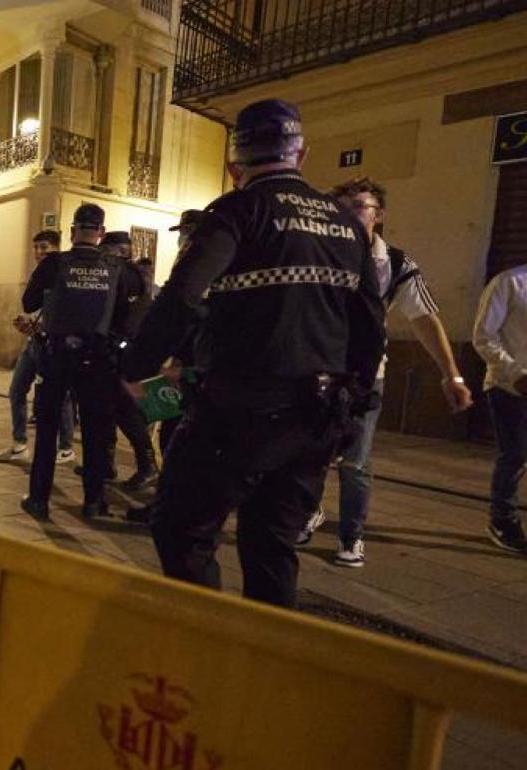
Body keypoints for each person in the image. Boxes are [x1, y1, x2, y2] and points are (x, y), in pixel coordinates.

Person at [122, 99, 385, 608]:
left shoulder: (237, 212)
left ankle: (213, 639)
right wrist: (352, 404)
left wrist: (133, 368)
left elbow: (182, 294)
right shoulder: (346, 223)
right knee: (272, 544)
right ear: (301, 154)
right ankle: (265, 660)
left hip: (238, 413)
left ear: (233, 165)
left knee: (182, 528)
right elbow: (371, 325)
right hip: (315, 416)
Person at [296, 177, 472, 566]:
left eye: (359, 206)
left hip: (364, 374)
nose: (349, 213)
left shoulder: (394, 263)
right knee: (310, 453)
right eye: (341, 206)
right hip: (316, 371)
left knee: (356, 461)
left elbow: (425, 319)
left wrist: (452, 375)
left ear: (379, 215)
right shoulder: (315, 254)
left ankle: (351, 535)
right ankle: (309, 512)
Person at [20, 204, 132, 521]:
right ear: (101, 233)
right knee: (96, 432)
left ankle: (39, 500)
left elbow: (29, 302)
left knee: (47, 430)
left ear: (72, 232)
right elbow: (125, 315)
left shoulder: (55, 263)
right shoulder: (116, 266)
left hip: (56, 357)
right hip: (97, 358)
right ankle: (94, 502)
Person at [125, 210, 205, 525]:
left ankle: (171, 507)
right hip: (181, 363)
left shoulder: (203, 265)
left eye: (186, 232)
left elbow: (188, 313)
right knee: (171, 432)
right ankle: (170, 502)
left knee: (177, 436)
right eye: (181, 233)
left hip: (190, 366)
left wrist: (177, 359)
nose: (181, 239)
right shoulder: (192, 262)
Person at [0, 230, 76, 465]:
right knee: (16, 390)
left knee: (60, 397)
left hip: (53, 345)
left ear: (56, 248)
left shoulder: (62, 272)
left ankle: (66, 447)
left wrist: (40, 327)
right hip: (35, 342)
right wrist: (29, 325)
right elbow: (37, 308)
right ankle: (19, 444)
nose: (39, 252)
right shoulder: (39, 273)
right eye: (37, 247)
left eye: (45, 247)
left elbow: (64, 315)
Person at [473, 261, 527, 554]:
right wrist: (516, 373)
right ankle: (502, 519)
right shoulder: (509, 282)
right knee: (515, 454)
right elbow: (483, 335)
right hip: (509, 387)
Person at [101, 230, 157, 491]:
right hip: (129, 350)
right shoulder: (137, 274)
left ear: (114, 250)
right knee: (110, 408)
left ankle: (147, 467)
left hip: (119, 351)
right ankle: (105, 463)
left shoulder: (120, 273)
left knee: (125, 410)